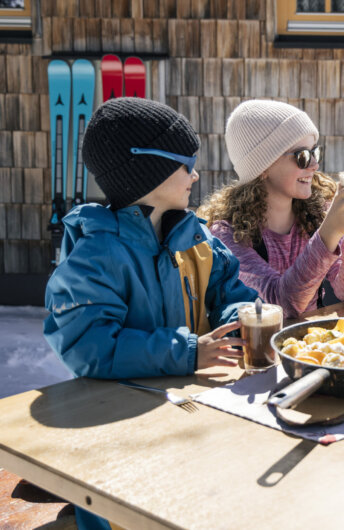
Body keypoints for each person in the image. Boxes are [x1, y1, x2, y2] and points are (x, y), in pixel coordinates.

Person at [44, 97, 259, 530]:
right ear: (147, 169)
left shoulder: (194, 236)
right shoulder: (97, 254)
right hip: (116, 431)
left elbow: (227, 290)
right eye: (187, 163)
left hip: (186, 415)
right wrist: (186, 352)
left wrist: (240, 318)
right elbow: (88, 347)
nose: (196, 174)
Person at [198, 99, 344, 318]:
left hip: (311, 347)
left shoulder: (315, 214)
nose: (314, 165)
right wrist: (329, 232)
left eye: (315, 152)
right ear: (263, 167)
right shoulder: (227, 235)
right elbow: (279, 306)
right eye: (302, 156)